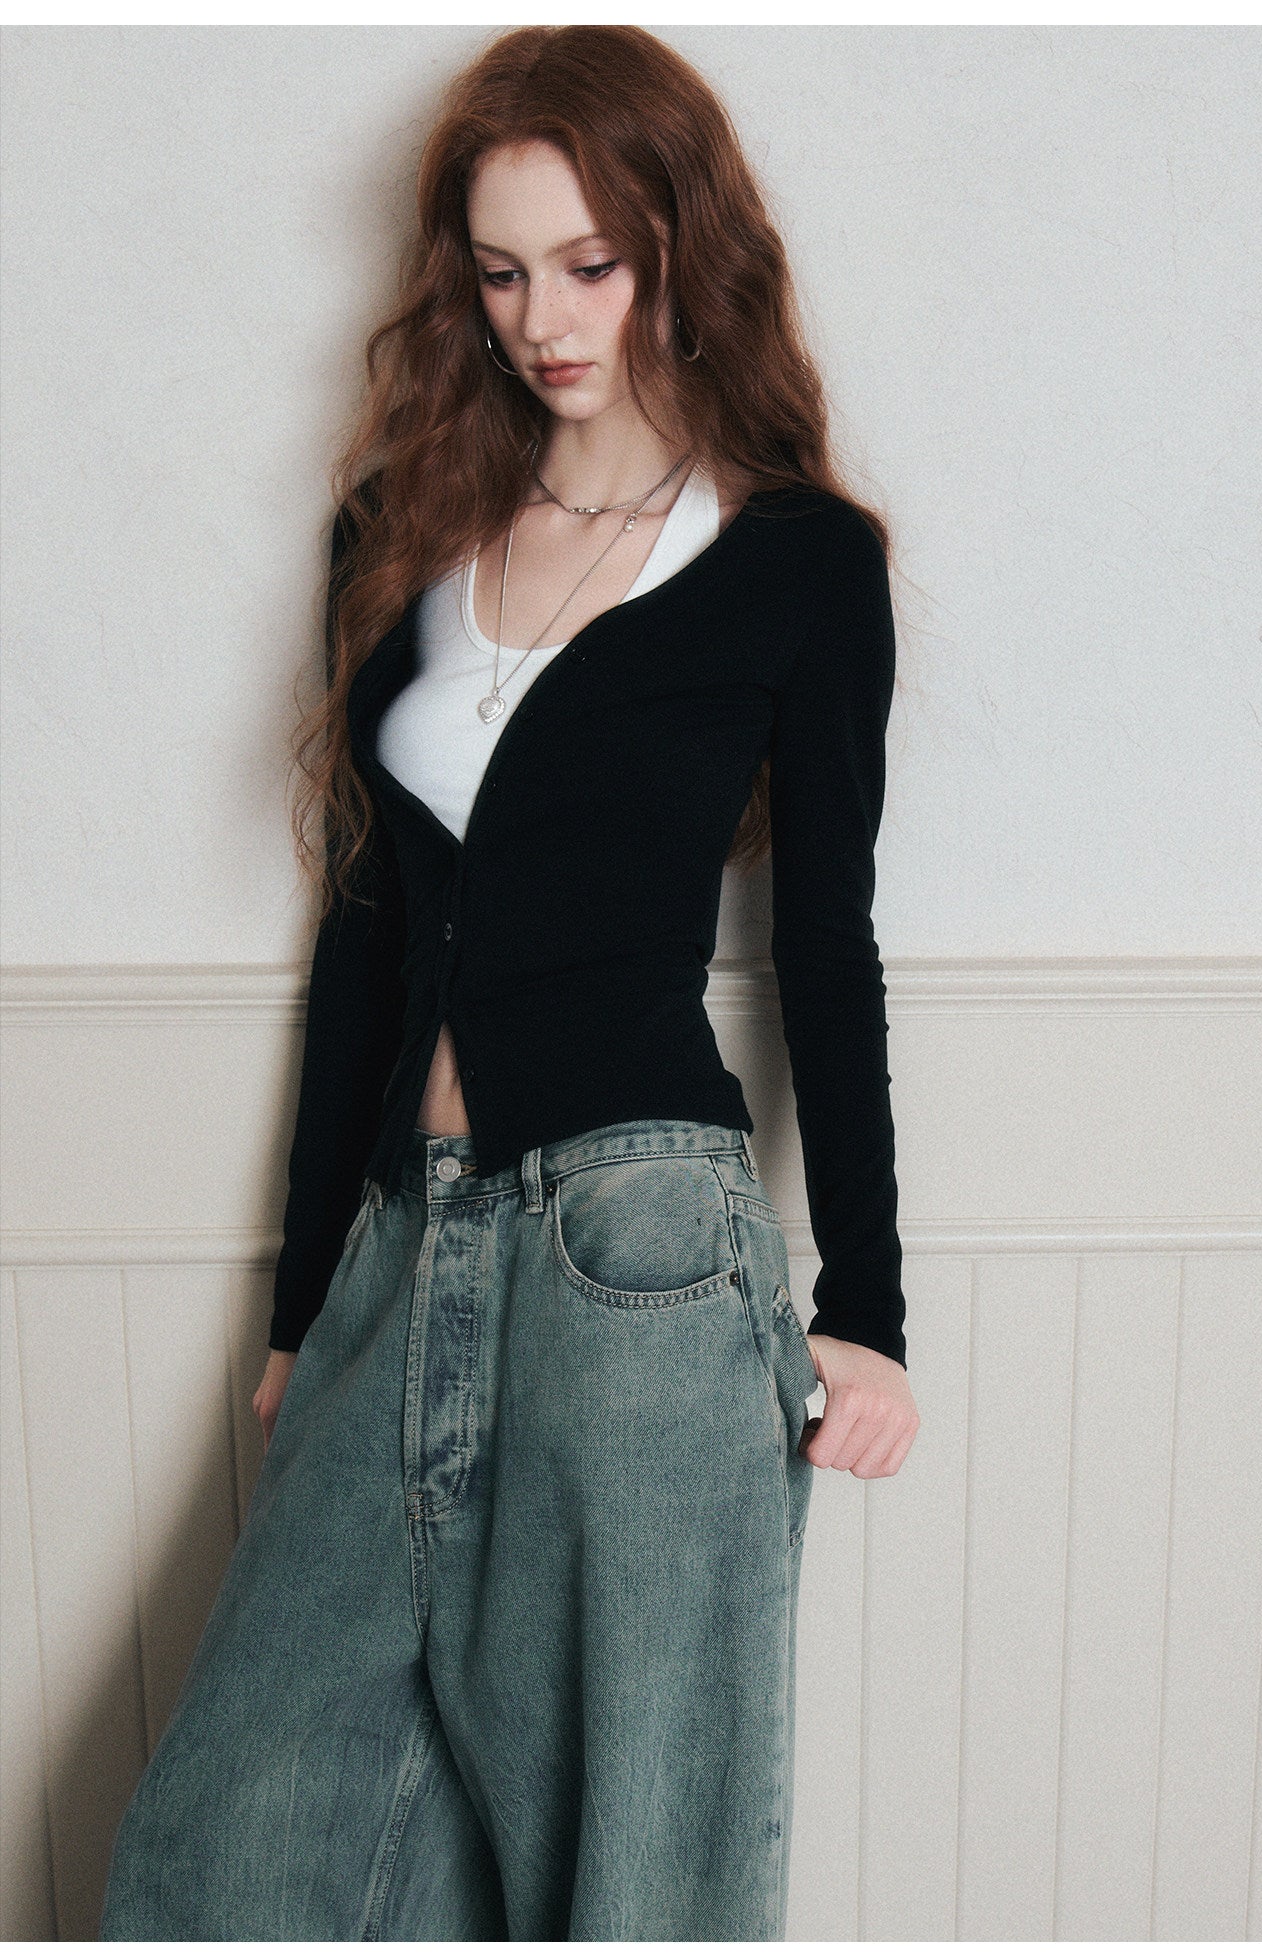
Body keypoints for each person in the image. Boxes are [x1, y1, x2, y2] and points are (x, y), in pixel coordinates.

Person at [99, 22, 918, 1942]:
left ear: (681, 248)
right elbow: (365, 937)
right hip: (406, 1246)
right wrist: (305, 1306)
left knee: (637, 1881)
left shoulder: (798, 562)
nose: (544, 320)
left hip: (642, 1256)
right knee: (222, 1863)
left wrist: (870, 1306)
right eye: (499, 271)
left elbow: (827, 942)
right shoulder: (397, 532)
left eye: (589, 264)